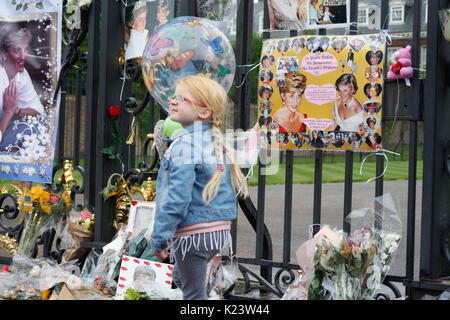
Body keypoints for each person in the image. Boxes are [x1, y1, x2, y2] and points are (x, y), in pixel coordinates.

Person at [151, 75, 249, 300]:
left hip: (193, 235)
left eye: (182, 99)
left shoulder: (184, 144)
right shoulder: (213, 141)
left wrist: (160, 238)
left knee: (193, 296)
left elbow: (176, 198)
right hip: (218, 233)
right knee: (184, 279)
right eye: (174, 97)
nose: (173, 101)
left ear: (204, 112)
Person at [0, 25, 44, 150]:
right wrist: (9, 111)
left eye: (25, 50)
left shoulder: (21, 75)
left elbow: (39, 111)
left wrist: (16, 111)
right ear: (4, 54)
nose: (23, 56)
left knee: (35, 127)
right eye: (17, 50)